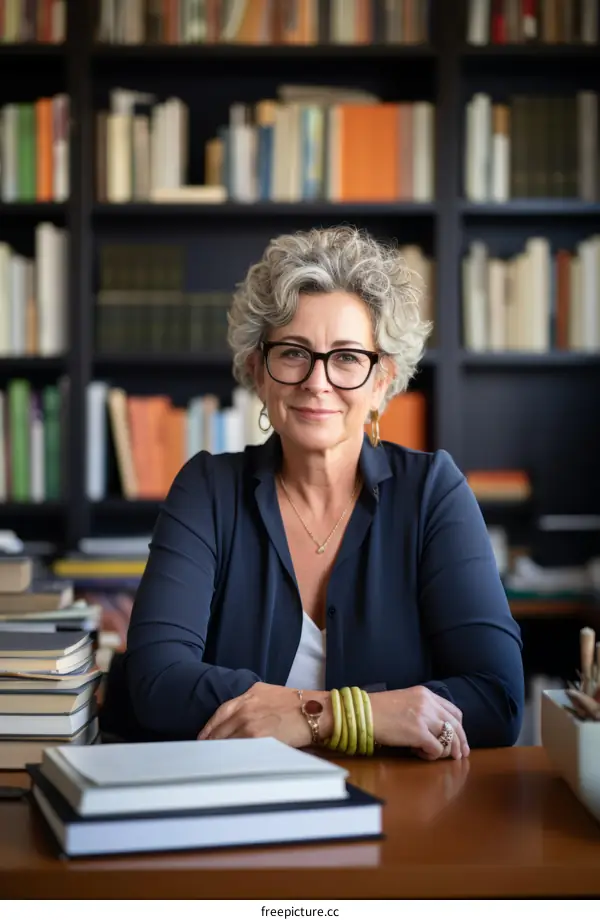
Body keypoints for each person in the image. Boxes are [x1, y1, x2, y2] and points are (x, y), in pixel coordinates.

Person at [121, 226, 524, 759]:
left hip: (403, 818)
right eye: (293, 352)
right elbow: (154, 683)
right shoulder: (207, 491)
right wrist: (379, 714)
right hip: (235, 809)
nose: (318, 382)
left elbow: (497, 701)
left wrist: (320, 715)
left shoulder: (433, 493)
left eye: (348, 357)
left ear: (382, 381)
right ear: (256, 371)